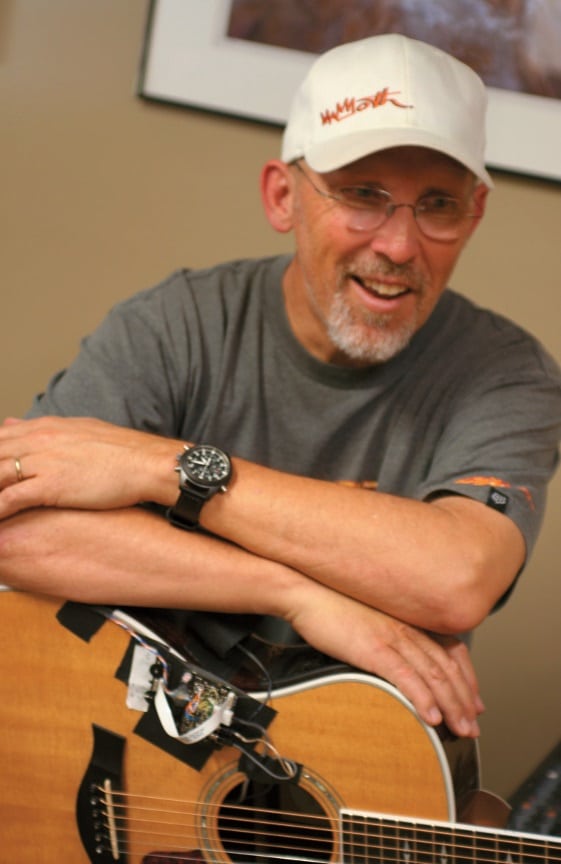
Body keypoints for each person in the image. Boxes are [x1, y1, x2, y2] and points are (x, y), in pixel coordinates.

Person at [0, 34, 559, 741]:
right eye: (363, 195)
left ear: (473, 215)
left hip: (351, 775)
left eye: (437, 205)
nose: (397, 244)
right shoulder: (174, 326)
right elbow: (16, 531)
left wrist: (160, 466)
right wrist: (291, 592)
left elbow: (456, 579)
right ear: (282, 195)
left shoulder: (508, 373)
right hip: (125, 764)